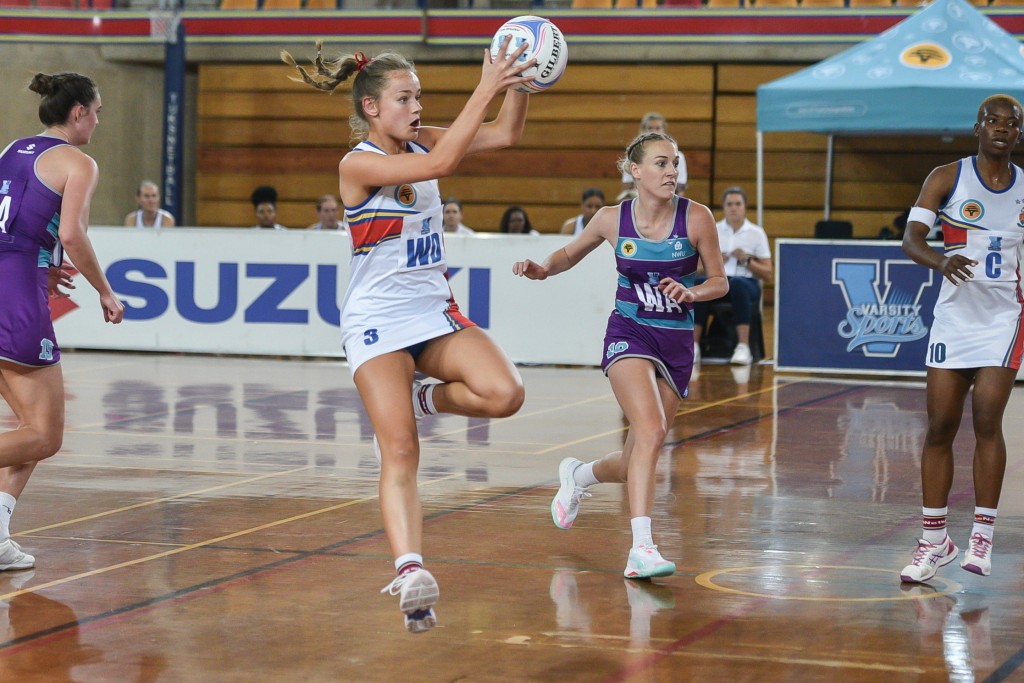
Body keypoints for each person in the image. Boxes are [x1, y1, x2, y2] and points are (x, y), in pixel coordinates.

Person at [282, 40, 532, 632]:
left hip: (433, 311)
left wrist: (524, 78)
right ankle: (410, 568)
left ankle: (424, 397)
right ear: (372, 108)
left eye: (418, 96)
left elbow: (503, 135)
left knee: (506, 394)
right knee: (400, 452)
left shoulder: (423, 138)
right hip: (376, 322)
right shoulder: (357, 164)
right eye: (404, 97)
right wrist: (487, 83)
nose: (416, 106)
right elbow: (442, 166)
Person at [512, 131, 727, 579]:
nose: (672, 172)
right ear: (636, 171)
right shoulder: (612, 219)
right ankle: (642, 549)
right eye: (662, 164)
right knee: (649, 428)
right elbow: (570, 254)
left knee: (636, 460)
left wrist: (692, 292)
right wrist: (543, 268)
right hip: (629, 333)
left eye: (675, 163)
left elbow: (720, 282)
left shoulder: (697, 218)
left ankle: (579, 475)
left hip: (675, 342)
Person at [0, 72, 125, 571]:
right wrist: (104, 289)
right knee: (45, 436)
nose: (98, 120)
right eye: (96, 110)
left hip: (12, 275)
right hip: (15, 298)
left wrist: (39, 264)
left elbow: (13, 225)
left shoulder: (12, 148)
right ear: (78, 113)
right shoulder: (79, 161)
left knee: (30, 429)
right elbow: (71, 234)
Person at [898, 94, 1024, 584]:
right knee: (939, 426)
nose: (1001, 127)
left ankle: (982, 537)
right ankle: (935, 542)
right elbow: (911, 240)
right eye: (993, 120)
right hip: (954, 319)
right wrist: (941, 260)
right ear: (977, 127)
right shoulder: (946, 177)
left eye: (1011, 123)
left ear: (1019, 133)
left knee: (988, 417)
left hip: (1004, 317)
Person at [692, 186, 772, 366]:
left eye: (738, 204)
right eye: (729, 204)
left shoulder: (756, 233)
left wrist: (746, 261)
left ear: (745, 207)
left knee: (738, 284)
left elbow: (768, 273)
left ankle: (743, 347)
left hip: (746, 283)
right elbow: (695, 269)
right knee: (701, 284)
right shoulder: (713, 230)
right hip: (718, 280)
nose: (734, 208)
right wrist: (714, 261)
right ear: (724, 207)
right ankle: (693, 345)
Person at [621, 113, 687, 197]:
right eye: (650, 128)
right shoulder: (634, 155)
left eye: (658, 128)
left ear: (664, 130)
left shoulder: (678, 156)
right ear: (642, 130)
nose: (654, 131)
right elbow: (626, 189)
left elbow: (680, 190)